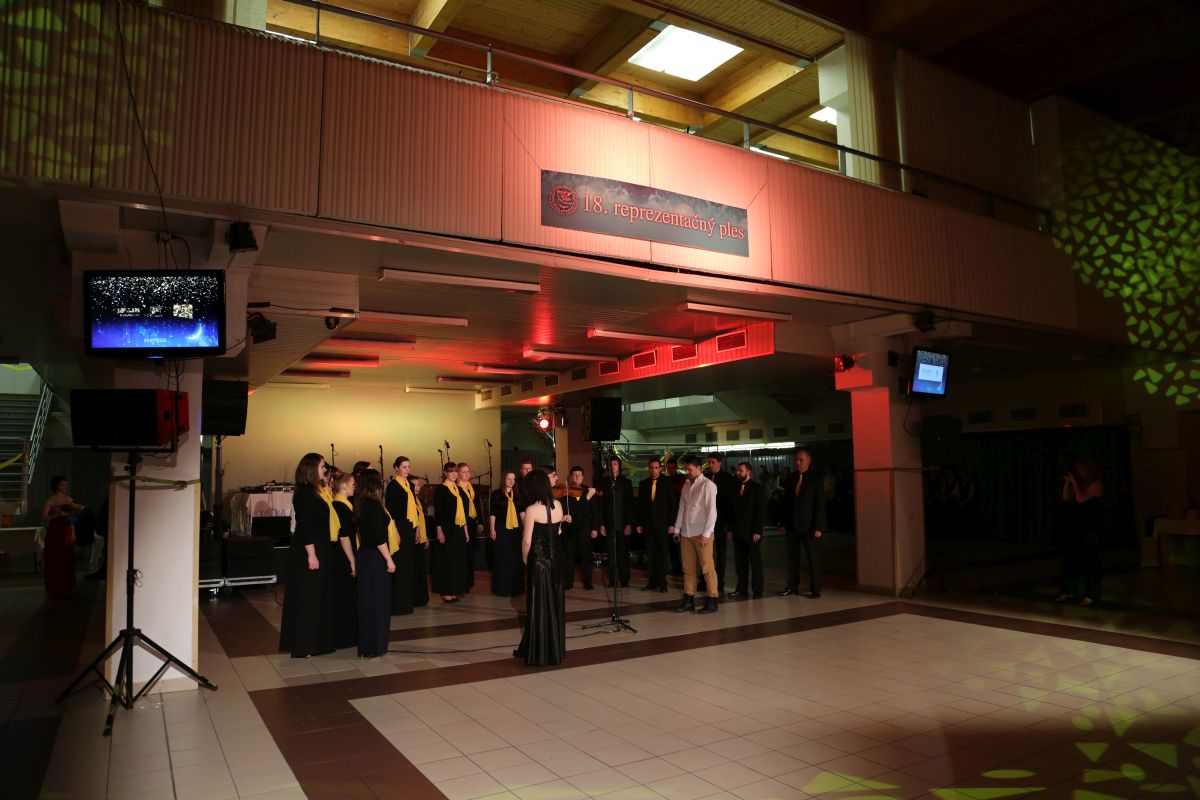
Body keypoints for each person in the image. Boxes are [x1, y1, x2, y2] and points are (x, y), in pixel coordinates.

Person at [280, 453, 335, 658]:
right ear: (312, 469)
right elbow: (304, 525)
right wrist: (311, 554)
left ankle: (317, 643)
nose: (325, 469)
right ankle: (304, 645)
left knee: (316, 597)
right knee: (307, 598)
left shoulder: (314, 491)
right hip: (308, 549)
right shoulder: (304, 493)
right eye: (322, 466)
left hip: (319, 547)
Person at [514, 470, 566, 666]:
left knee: (538, 605)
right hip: (556, 560)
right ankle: (555, 649)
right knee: (554, 602)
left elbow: (527, 540)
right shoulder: (558, 505)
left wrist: (524, 558)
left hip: (538, 561)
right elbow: (558, 532)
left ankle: (540, 652)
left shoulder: (531, 510)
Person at [353, 469, 396, 658]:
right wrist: (389, 559)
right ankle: (376, 646)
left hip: (364, 556)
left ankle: (367, 646)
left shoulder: (360, 504)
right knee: (379, 602)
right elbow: (379, 538)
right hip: (375, 557)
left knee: (367, 602)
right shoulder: (374, 506)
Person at [671, 455, 718, 614]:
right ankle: (689, 598)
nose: (687, 472)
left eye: (689, 469)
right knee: (688, 569)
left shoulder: (708, 485)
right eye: (685, 469)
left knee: (707, 568)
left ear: (699, 468)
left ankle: (712, 599)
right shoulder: (685, 485)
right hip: (686, 533)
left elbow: (712, 512)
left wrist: (707, 533)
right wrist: (677, 529)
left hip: (702, 534)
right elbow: (681, 509)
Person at [779, 448, 826, 599]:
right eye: (796, 460)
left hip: (809, 526)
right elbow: (785, 503)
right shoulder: (791, 478)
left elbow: (820, 504)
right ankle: (792, 586)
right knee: (792, 559)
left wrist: (818, 526)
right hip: (792, 525)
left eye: (801, 460)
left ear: (808, 461)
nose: (797, 463)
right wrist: (782, 523)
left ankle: (816, 588)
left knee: (813, 558)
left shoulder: (815, 479)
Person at [1057, 458, 1104, 606]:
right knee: (1071, 560)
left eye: (1080, 470)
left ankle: (1092, 594)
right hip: (1076, 526)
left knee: (1090, 561)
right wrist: (1068, 483)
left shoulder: (1096, 484)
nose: (1078, 473)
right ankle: (1069, 591)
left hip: (1090, 527)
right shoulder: (1079, 484)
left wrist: (1075, 483)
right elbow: (1065, 497)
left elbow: (1081, 499)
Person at [384, 457, 418, 616]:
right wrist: (395, 532)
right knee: (400, 565)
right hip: (398, 527)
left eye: (408, 467)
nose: (407, 470)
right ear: (396, 468)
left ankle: (407, 602)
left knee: (408, 566)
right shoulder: (393, 486)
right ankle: (397, 605)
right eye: (404, 467)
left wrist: (417, 529)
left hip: (409, 527)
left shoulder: (410, 485)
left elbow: (414, 509)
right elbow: (391, 513)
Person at [637, 458, 677, 593]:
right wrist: (640, 523)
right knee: (651, 553)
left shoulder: (667, 483)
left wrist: (672, 523)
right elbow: (640, 506)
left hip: (663, 524)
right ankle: (652, 581)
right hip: (648, 525)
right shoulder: (643, 484)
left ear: (660, 469)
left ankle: (663, 582)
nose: (653, 470)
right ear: (648, 469)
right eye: (651, 467)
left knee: (662, 553)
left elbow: (672, 505)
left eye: (656, 467)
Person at [328, 469, 358, 648]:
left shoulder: (345, 504)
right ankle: (344, 636)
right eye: (353, 484)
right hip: (343, 556)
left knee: (348, 595)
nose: (355, 486)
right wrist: (352, 560)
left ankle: (349, 634)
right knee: (344, 595)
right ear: (345, 486)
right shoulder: (339, 506)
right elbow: (344, 536)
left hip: (346, 553)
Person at [41, 475, 84, 599]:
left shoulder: (69, 500)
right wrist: (57, 515)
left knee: (66, 558)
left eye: (66, 484)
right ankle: (54, 588)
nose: (66, 486)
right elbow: (44, 517)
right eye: (63, 484)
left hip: (66, 531)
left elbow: (72, 518)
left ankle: (66, 588)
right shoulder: (50, 501)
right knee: (54, 559)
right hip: (55, 532)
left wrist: (73, 533)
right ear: (56, 486)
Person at [729, 462, 767, 599]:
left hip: (752, 532)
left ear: (748, 471)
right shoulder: (735, 488)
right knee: (740, 563)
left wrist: (758, 530)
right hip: (738, 531)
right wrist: (730, 529)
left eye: (741, 470)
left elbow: (760, 511)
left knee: (755, 562)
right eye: (737, 470)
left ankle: (757, 590)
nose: (737, 473)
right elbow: (732, 511)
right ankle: (742, 588)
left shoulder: (758, 488)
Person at [432, 462, 469, 603]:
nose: (454, 474)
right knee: (447, 561)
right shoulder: (441, 490)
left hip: (458, 529)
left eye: (455, 471)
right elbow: (438, 512)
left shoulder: (458, 489)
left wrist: (465, 531)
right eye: (451, 471)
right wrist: (439, 531)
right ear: (445, 473)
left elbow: (463, 513)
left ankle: (454, 590)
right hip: (447, 530)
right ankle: (446, 592)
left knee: (457, 561)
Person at [597, 455, 634, 588]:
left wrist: (629, 523)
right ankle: (613, 579)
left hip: (623, 523)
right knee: (611, 553)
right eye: (611, 464)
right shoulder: (604, 482)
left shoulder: (626, 482)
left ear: (619, 465)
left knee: (623, 552)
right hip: (609, 523)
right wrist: (601, 523)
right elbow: (600, 504)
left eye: (615, 464)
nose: (613, 466)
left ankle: (624, 579)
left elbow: (630, 504)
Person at [704, 454, 738, 596]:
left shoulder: (728, 479)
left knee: (720, 553)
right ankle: (705, 580)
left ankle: (719, 581)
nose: (710, 465)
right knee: (705, 552)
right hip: (706, 521)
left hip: (720, 521)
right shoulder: (705, 477)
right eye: (709, 462)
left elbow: (731, 505)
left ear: (720, 462)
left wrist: (729, 527)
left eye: (713, 462)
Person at [489, 470, 524, 597]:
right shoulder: (496, 494)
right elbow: (493, 513)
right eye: (509, 479)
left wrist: (526, 528)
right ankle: (502, 588)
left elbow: (522, 513)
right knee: (502, 559)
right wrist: (492, 529)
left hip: (516, 531)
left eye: (513, 479)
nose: (511, 481)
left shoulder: (519, 494)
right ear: (504, 479)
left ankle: (516, 588)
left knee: (516, 559)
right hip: (501, 530)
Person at [563, 466, 597, 590]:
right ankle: (568, 582)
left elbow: (595, 511)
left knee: (586, 556)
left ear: (583, 477)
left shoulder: (589, 490)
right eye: (575, 474)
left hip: (585, 528)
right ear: (571, 477)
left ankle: (588, 582)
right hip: (570, 528)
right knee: (569, 556)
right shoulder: (566, 491)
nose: (577, 477)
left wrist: (594, 528)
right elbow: (572, 509)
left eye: (579, 475)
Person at [458, 462, 484, 592]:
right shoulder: (456, 488)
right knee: (462, 554)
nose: (467, 474)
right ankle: (462, 582)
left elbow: (477, 505)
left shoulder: (471, 487)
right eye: (463, 472)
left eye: (468, 471)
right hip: (462, 523)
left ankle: (469, 581)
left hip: (472, 523)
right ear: (458, 474)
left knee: (470, 554)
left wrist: (480, 522)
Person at [409, 472, 431, 608]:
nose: (417, 487)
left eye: (418, 485)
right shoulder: (409, 500)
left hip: (420, 538)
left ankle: (420, 597)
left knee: (420, 569)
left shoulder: (418, 500)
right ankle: (414, 598)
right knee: (414, 569)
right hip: (413, 538)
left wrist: (425, 536)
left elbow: (421, 520)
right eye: (414, 485)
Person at [665, 458, 685, 577]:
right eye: (669, 468)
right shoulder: (667, 480)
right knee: (672, 543)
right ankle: (676, 566)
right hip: (670, 515)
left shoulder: (682, 479)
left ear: (676, 467)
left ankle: (681, 567)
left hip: (680, 513)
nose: (670, 470)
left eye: (672, 467)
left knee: (679, 543)